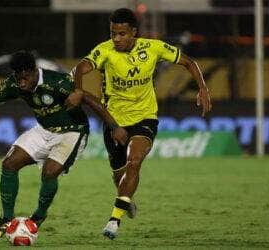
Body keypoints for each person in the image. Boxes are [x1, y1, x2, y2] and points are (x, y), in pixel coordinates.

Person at [0, 50, 128, 241]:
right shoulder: (14, 83)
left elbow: (90, 99)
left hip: (72, 131)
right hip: (44, 130)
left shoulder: (57, 81)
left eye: (25, 78)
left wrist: (114, 126)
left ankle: (38, 216)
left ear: (34, 71)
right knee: (9, 164)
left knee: (49, 172)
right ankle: (6, 220)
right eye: (18, 78)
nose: (21, 83)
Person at [65, 8, 212, 239]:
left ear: (134, 32)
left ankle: (114, 220)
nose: (116, 39)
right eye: (113, 33)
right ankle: (126, 200)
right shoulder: (104, 51)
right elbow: (81, 68)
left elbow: (188, 62)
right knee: (118, 176)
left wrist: (203, 88)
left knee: (134, 162)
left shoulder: (153, 47)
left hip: (145, 117)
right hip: (113, 121)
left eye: (122, 34)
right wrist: (77, 90)